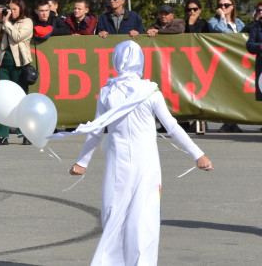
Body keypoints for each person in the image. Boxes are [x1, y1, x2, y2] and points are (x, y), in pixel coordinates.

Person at [61, 40, 212, 265]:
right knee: (144, 217)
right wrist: (198, 154)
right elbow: (172, 126)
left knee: (114, 214)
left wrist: (83, 162)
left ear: (116, 60)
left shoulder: (107, 92)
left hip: (117, 161)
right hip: (146, 162)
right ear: (141, 61)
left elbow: (96, 130)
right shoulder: (151, 92)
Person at [0, 0, 33, 145]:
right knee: (2, 99)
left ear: (21, 9)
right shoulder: (4, 22)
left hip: (20, 64)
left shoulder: (26, 22)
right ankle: (2, 135)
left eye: (15, 9)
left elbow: (17, 36)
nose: (11, 12)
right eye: (10, 9)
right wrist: (0, 22)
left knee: (21, 98)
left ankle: (26, 133)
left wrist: (6, 23)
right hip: (4, 64)